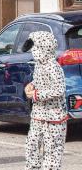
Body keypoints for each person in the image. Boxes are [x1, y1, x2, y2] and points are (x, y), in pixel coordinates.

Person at [23, 31, 68, 170]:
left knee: (52, 150)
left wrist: (36, 94)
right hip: (38, 114)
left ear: (43, 47)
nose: (33, 52)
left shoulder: (53, 67)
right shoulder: (39, 65)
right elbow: (39, 81)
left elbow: (59, 90)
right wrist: (31, 85)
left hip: (53, 116)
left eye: (35, 48)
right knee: (31, 146)